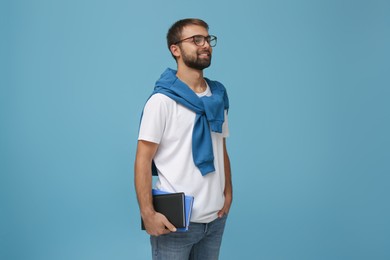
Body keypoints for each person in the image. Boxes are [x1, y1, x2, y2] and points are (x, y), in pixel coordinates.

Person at [134, 18, 232, 260]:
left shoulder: (217, 96)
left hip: (215, 219)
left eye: (208, 39)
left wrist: (228, 192)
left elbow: (221, 147)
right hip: (176, 223)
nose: (205, 45)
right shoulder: (161, 101)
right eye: (196, 40)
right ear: (175, 49)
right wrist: (148, 214)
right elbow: (143, 160)